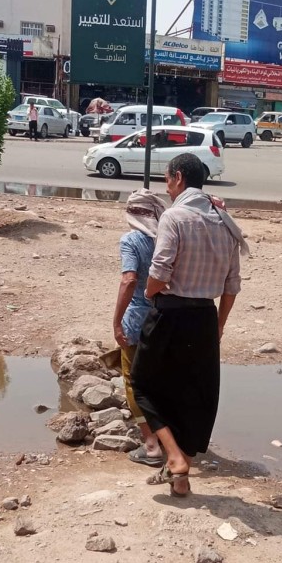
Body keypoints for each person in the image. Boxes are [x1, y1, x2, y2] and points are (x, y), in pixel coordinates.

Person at [131, 153, 248, 496]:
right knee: (192, 394)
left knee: (143, 385)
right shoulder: (224, 220)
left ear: (178, 178)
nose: (167, 189)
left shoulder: (175, 216)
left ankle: (175, 459)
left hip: (170, 313)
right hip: (205, 318)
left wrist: (152, 292)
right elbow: (231, 286)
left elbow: (159, 270)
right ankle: (179, 480)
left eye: (167, 181)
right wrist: (219, 326)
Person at [113, 189, 166, 466]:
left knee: (134, 383)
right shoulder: (166, 240)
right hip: (165, 319)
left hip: (136, 321)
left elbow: (129, 280)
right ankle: (169, 438)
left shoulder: (131, 240)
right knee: (161, 381)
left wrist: (116, 322)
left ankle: (151, 445)